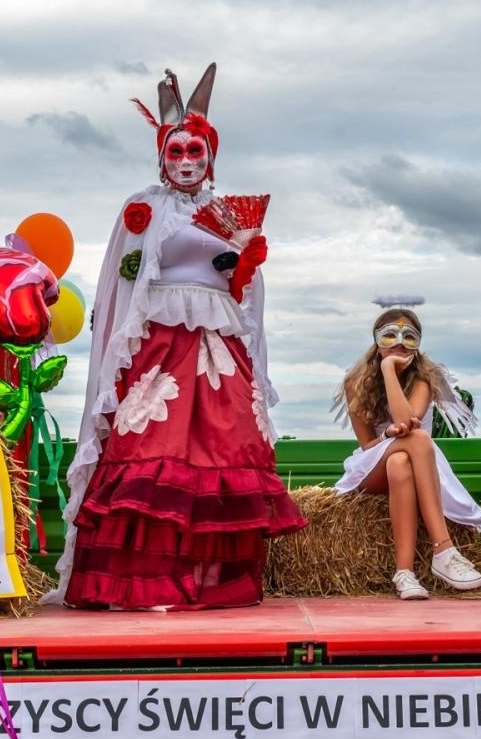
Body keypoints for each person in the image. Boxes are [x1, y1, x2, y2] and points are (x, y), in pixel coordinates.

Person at [54, 64, 305, 609]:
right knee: (150, 445)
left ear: (212, 156)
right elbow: (123, 277)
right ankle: (142, 581)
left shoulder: (224, 212)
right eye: (177, 151)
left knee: (224, 446)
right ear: (162, 155)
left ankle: (209, 577)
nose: (188, 161)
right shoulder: (143, 208)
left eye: (197, 152)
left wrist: (239, 266)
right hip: (160, 344)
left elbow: (247, 292)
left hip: (219, 345)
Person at [334, 307, 481, 600]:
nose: (399, 343)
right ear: (376, 341)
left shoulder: (424, 378)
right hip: (371, 463)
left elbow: (405, 422)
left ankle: (404, 573)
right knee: (413, 439)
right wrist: (387, 369)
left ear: (418, 344)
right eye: (389, 335)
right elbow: (371, 442)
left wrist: (390, 373)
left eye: (409, 337)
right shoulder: (355, 382)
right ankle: (443, 549)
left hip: (420, 463)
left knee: (401, 462)